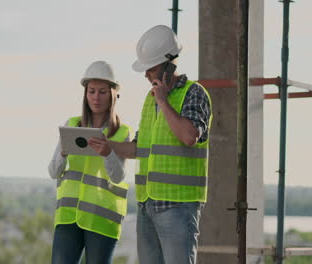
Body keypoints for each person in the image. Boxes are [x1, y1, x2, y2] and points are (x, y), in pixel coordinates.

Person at [106, 25, 213, 264]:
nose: (146, 76)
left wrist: (164, 102)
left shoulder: (194, 93)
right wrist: (107, 146)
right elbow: (137, 148)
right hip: (147, 204)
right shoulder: (150, 99)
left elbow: (189, 136)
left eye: (150, 69)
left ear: (169, 65)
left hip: (178, 206)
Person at [48, 61, 131, 264]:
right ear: (85, 94)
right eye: (91, 91)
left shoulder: (122, 132)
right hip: (69, 216)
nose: (96, 97)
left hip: (101, 220)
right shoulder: (72, 125)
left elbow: (118, 176)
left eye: (102, 91)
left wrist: (108, 153)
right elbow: (53, 171)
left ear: (112, 94)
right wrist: (63, 154)